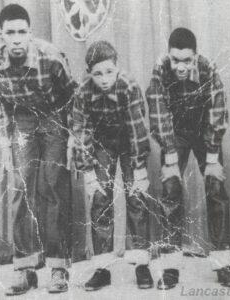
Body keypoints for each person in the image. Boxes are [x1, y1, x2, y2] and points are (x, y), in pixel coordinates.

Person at [146, 27, 230, 289]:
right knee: (171, 189)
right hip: (175, 132)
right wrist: (170, 154)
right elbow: (158, 111)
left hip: (204, 130)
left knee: (216, 187)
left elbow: (217, 110)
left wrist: (211, 156)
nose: (181, 67)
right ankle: (171, 267)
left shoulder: (208, 68)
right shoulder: (160, 69)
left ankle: (223, 264)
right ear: (169, 56)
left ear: (195, 57)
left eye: (187, 60)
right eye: (176, 60)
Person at [0, 4, 78, 296]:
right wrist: (5, 143)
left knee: (52, 187)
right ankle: (25, 269)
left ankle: (58, 268)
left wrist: (72, 138)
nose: (16, 39)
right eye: (10, 33)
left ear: (30, 33)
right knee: (20, 189)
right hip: (22, 120)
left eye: (22, 32)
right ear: (1, 34)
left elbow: (73, 98)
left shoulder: (51, 56)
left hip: (54, 117)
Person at [70, 40, 153, 291]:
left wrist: (139, 167)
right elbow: (80, 131)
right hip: (101, 144)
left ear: (117, 68)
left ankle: (141, 264)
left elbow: (138, 129)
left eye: (109, 72)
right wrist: (87, 173)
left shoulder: (128, 86)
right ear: (89, 73)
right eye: (97, 74)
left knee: (136, 197)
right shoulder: (83, 92)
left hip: (129, 142)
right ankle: (103, 268)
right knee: (100, 198)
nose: (104, 79)